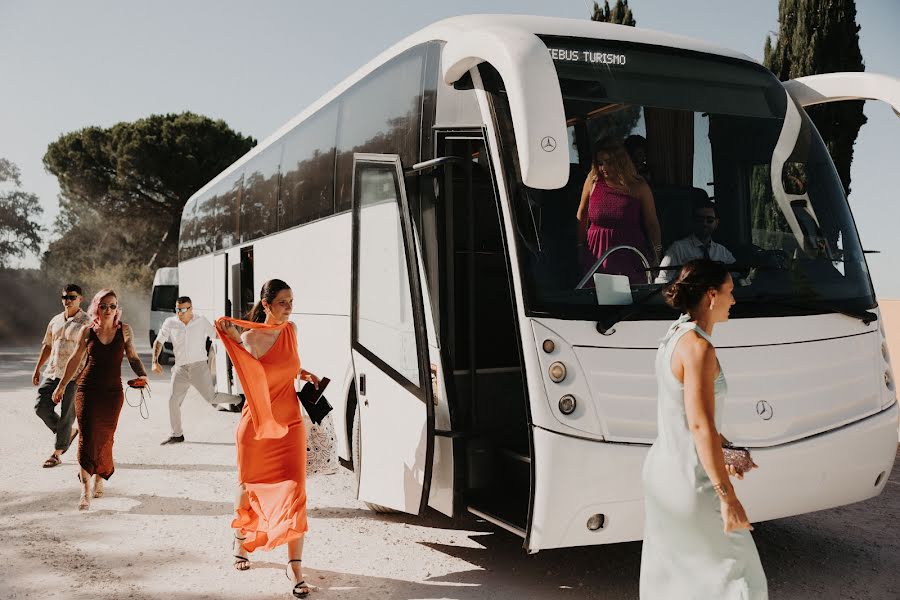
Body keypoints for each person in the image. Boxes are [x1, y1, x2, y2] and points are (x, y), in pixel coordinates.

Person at [640, 259, 767, 599]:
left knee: (678, 583)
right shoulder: (699, 348)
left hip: (663, 474)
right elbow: (699, 425)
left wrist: (728, 450)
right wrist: (727, 497)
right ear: (712, 296)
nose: (734, 300)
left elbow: (684, 418)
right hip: (692, 483)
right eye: (730, 293)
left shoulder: (671, 338)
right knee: (742, 581)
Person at [216, 279, 321, 599]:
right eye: (282, 303)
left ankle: (295, 565)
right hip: (258, 425)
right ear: (266, 305)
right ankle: (241, 543)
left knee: (296, 490)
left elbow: (286, 367)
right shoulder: (249, 339)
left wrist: (304, 374)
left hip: (290, 424)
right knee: (248, 486)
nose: (289, 308)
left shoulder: (292, 331)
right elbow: (253, 378)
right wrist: (230, 336)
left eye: (291, 302)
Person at [52, 289, 148, 510]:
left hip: (113, 393)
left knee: (105, 437)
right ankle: (85, 491)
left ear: (117, 308)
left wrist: (142, 374)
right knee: (87, 436)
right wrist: (62, 384)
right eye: (103, 305)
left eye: (112, 306)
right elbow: (76, 359)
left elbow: (132, 356)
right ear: (96, 307)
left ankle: (100, 476)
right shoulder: (87, 331)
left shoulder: (124, 330)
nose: (108, 310)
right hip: (87, 389)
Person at [153, 296, 242, 445]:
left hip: (199, 367)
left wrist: (234, 338)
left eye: (182, 309)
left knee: (211, 398)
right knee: (173, 401)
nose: (179, 312)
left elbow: (216, 336)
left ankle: (239, 400)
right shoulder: (171, 322)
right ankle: (177, 434)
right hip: (180, 369)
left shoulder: (201, 321)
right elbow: (159, 341)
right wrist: (155, 362)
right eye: (177, 309)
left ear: (190, 309)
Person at [577, 138, 662, 284]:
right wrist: (580, 247)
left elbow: (652, 224)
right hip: (596, 254)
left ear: (621, 161)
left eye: (608, 162)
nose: (603, 167)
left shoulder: (639, 186)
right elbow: (582, 214)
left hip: (630, 254)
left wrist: (657, 255)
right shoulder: (593, 180)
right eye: (600, 163)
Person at [32, 284, 90, 468]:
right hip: (53, 372)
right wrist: (37, 368)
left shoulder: (87, 322)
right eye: (65, 297)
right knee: (41, 407)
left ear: (80, 299)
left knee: (67, 414)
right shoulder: (55, 320)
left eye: (72, 297)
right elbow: (47, 345)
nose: (68, 300)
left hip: (74, 375)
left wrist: (84, 375)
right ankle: (67, 434)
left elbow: (90, 352)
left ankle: (56, 453)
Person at [656, 199, 736, 283]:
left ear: (717, 223)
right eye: (700, 220)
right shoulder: (677, 249)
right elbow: (662, 281)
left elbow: (738, 277)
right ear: (692, 221)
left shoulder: (722, 252)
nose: (704, 224)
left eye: (710, 220)